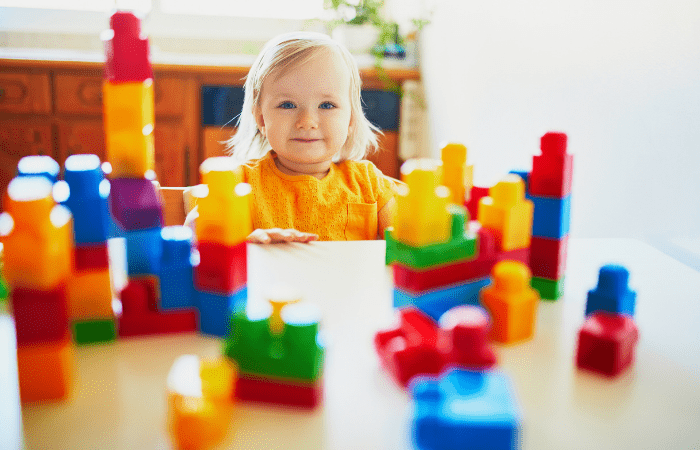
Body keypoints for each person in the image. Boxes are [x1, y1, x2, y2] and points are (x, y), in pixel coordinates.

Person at [186, 31, 400, 244]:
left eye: (327, 105)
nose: (307, 121)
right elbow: (193, 237)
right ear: (261, 119)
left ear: (351, 119)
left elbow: (407, 241)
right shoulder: (238, 183)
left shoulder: (368, 184)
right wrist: (243, 244)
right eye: (287, 104)